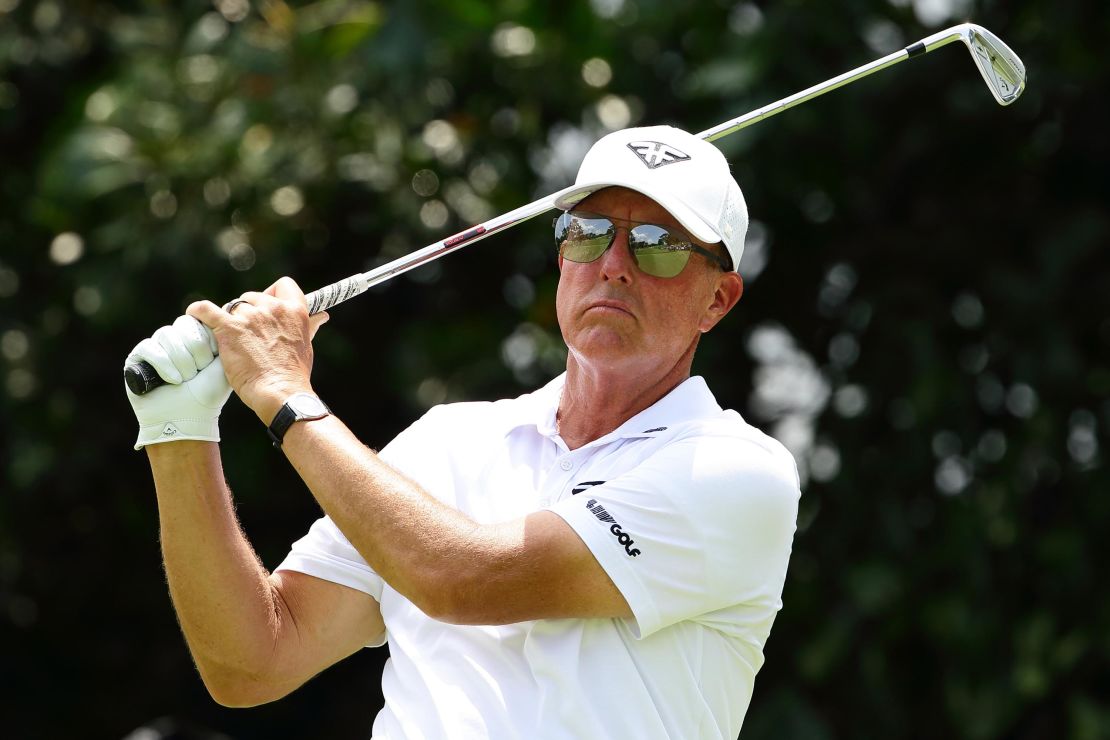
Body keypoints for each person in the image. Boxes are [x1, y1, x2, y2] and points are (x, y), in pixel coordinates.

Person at [125, 124, 801, 739]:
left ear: (718, 298)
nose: (614, 263)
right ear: (563, 253)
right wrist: (178, 429)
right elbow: (254, 660)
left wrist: (284, 395)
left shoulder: (733, 471)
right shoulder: (448, 439)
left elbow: (465, 580)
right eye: (589, 230)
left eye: (658, 245)